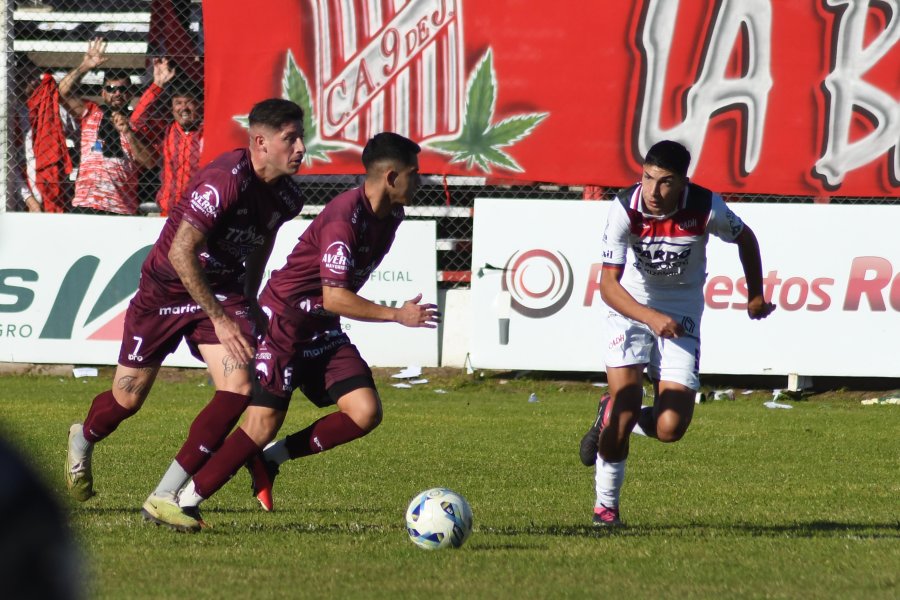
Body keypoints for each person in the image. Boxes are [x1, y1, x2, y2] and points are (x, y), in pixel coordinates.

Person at [154, 132, 439, 532]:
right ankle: (185, 501)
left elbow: (333, 301)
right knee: (261, 423)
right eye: (415, 174)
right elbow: (336, 296)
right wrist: (397, 315)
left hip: (320, 327)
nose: (420, 182)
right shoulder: (345, 217)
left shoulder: (392, 215)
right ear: (391, 176)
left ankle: (270, 460)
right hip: (283, 323)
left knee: (365, 411)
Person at [65, 98, 308, 534]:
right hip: (167, 287)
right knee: (127, 399)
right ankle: (83, 436)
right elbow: (181, 251)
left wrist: (247, 299)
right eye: (290, 139)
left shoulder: (287, 196)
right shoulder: (224, 180)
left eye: (300, 137)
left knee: (239, 384)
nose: (301, 148)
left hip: (223, 287)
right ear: (259, 142)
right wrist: (219, 318)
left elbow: (261, 241)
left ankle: (165, 495)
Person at [578, 140, 775, 527]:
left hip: (682, 313)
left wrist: (755, 295)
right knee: (627, 399)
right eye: (647, 178)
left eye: (665, 182)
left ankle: (614, 414)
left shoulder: (706, 207)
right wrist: (649, 316)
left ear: (683, 182)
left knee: (670, 428)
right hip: (630, 307)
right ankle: (606, 509)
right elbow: (607, 287)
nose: (653, 191)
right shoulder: (624, 208)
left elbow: (745, 238)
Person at [58, 37, 155, 215]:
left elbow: (149, 162)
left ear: (131, 93)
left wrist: (127, 132)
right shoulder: (90, 112)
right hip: (86, 203)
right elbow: (63, 92)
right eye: (110, 89)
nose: (116, 93)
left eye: (122, 89)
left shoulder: (138, 121)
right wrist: (85, 66)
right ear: (103, 93)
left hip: (121, 207)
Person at [130, 57, 204, 216]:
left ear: (199, 106)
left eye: (189, 102)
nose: (183, 108)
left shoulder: (207, 132)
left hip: (199, 212)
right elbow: (136, 121)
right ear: (171, 107)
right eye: (178, 103)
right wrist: (157, 85)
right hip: (169, 211)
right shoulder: (167, 131)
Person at [8, 56, 78, 213]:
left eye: (33, 77)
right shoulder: (11, 116)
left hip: (55, 190)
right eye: (22, 77)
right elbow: (10, 164)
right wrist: (29, 200)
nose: (30, 82)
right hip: (22, 195)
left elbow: (78, 133)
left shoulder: (53, 110)